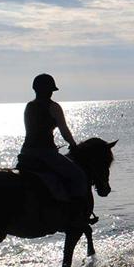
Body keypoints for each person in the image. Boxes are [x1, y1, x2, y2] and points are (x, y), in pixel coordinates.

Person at [16, 73, 88, 202]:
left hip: (26, 152)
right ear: (49, 91)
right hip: (45, 153)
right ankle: (76, 213)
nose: (51, 93)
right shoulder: (53, 107)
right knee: (78, 176)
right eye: (50, 90)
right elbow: (64, 130)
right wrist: (73, 144)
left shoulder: (29, 106)